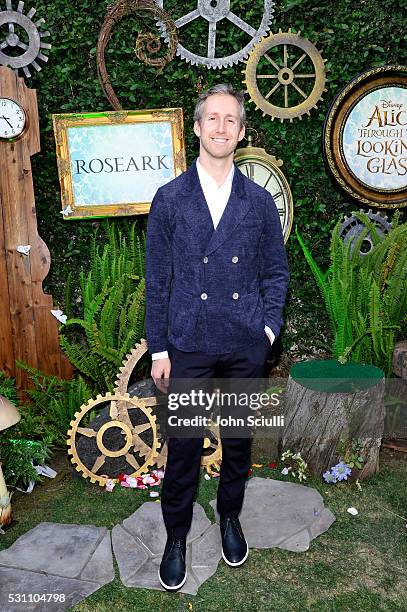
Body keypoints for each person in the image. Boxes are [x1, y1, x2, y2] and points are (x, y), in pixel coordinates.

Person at [146, 83, 289, 591]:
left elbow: (276, 273)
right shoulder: (169, 200)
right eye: (213, 118)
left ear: (242, 132)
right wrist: (158, 347)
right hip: (187, 343)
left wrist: (267, 331)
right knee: (183, 445)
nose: (222, 127)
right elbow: (158, 279)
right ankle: (177, 536)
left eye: (231, 120)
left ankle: (230, 517)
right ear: (198, 126)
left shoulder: (258, 203)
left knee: (237, 441)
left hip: (243, 345)